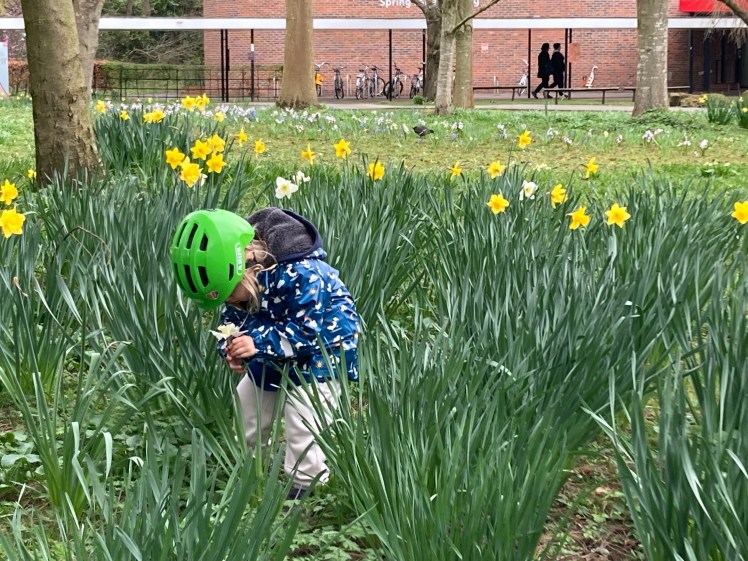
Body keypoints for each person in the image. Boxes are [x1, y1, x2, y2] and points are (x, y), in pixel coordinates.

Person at [170, 208, 360, 500]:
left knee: (303, 418)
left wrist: (256, 343)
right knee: (247, 403)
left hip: (324, 349)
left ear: (248, 266)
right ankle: (248, 472)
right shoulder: (237, 283)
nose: (232, 302)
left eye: (232, 294)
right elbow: (230, 322)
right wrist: (232, 349)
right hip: (272, 346)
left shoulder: (304, 272)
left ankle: (305, 490)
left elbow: (307, 332)